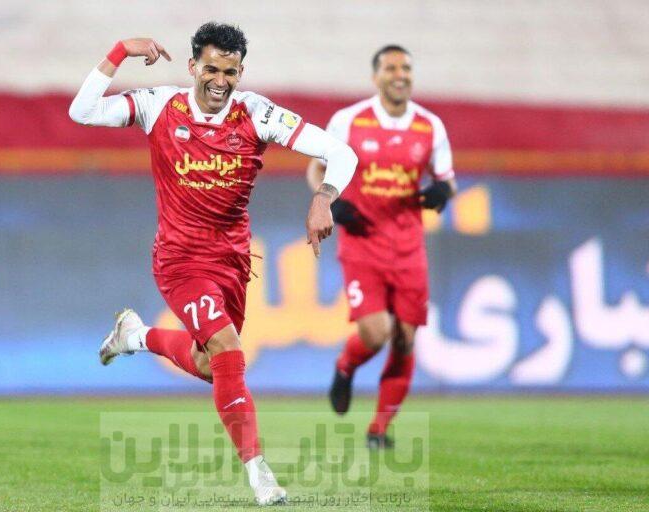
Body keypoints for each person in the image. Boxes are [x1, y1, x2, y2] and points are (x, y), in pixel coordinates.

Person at [69, 22, 357, 505]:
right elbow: (82, 111)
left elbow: (340, 152)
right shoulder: (160, 105)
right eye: (211, 69)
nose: (220, 80)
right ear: (192, 67)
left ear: (240, 72)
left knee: (212, 365)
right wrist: (119, 51)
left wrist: (324, 197)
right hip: (180, 260)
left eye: (230, 71)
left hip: (232, 262)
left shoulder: (257, 113)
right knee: (227, 348)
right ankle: (259, 473)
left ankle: (135, 336)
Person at [306, 45, 457, 449]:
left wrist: (443, 191)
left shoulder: (430, 126)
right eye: (391, 68)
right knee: (376, 334)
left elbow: (448, 180)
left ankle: (379, 429)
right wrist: (330, 201)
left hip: (409, 247)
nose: (400, 74)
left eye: (406, 67)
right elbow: (316, 169)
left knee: (406, 339)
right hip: (362, 243)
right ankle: (345, 366)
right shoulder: (349, 120)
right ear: (376, 77)